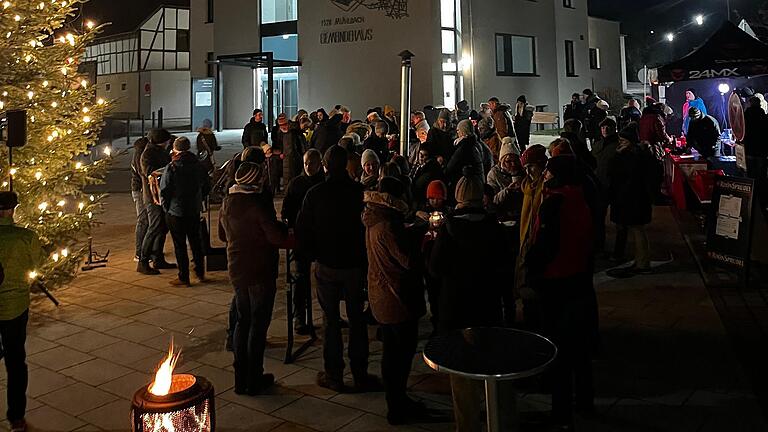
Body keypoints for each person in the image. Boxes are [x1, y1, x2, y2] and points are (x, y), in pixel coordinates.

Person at [429, 173, 512, 431]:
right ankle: (496, 419)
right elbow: (504, 267)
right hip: (486, 305)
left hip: (456, 307)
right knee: (490, 364)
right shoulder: (494, 229)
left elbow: (435, 268)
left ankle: (467, 424)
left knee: (462, 373)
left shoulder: (449, 229)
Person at [296, 145, 379, 393]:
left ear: (325, 165)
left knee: (330, 320)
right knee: (356, 320)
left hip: (327, 264)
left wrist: (312, 255)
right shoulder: (358, 192)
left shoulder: (315, 193)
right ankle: (360, 373)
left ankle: (334, 374)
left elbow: (303, 229)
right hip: (353, 264)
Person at [525, 155, 597, 429]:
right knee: (579, 348)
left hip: (556, 280)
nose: (544, 175)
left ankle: (561, 410)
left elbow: (546, 245)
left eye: (548, 172)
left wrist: (531, 268)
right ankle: (585, 400)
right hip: (579, 276)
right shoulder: (581, 196)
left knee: (558, 348)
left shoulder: (555, 202)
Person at [362, 177, 431, 425]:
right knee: (399, 355)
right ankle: (397, 405)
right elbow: (407, 260)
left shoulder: (374, 217)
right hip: (395, 297)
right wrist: (422, 238)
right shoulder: (388, 224)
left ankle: (398, 399)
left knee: (392, 352)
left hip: (381, 294)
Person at [219, 161, 288, 395]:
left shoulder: (228, 202)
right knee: (258, 325)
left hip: (237, 269)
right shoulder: (258, 205)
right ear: (255, 180)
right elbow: (276, 238)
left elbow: (221, 234)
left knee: (242, 321)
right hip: (259, 270)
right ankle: (254, 377)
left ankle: (240, 379)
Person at [0, 192, 44, 432]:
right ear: (12, 210)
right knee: (16, 362)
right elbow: (37, 264)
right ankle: (16, 417)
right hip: (15, 307)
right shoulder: (25, 237)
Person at [281, 149, 325, 334]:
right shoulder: (296, 183)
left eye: (312, 163)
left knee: (325, 278)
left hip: (321, 237)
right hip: (302, 237)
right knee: (300, 277)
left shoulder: (324, 183)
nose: (308, 167)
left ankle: (329, 315)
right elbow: (286, 210)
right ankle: (300, 317)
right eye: (306, 163)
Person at [159, 137, 211, 286]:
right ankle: (200, 272)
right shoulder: (198, 165)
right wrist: (199, 199)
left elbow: (165, 189)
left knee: (179, 245)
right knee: (196, 241)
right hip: (193, 209)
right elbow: (207, 185)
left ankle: (184, 277)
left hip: (176, 211)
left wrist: (166, 207)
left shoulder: (172, 167)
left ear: (175, 149)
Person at [607, 127, 657, 273]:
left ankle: (642, 263)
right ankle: (641, 260)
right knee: (637, 229)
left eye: (623, 140)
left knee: (637, 228)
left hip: (631, 197)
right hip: (636, 197)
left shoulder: (631, 156)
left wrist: (617, 156)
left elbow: (617, 173)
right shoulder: (642, 154)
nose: (620, 143)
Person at [516, 144, 548, 328]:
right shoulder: (528, 185)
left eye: (531, 167)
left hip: (537, 239)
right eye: (526, 168)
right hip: (526, 238)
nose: (528, 171)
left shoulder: (545, 187)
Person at [138, 128, 176, 275]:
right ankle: (143, 260)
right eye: (167, 141)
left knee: (162, 227)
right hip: (153, 196)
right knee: (154, 227)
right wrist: (169, 168)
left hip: (161, 195)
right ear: (161, 142)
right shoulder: (148, 154)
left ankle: (158, 257)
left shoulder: (160, 152)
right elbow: (150, 173)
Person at [487, 141, 524, 221]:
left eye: (515, 161)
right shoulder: (494, 174)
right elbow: (492, 200)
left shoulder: (523, 171)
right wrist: (507, 191)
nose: (513, 164)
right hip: (503, 216)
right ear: (502, 161)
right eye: (508, 161)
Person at [445, 120, 483, 195]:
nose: (457, 133)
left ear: (463, 131)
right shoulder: (477, 144)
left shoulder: (463, 147)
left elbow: (451, 167)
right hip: (477, 182)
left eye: (458, 130)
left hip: (464, 183)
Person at [130, 137, 149, 262]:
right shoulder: (139, 157)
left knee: (146, 220)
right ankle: (139, 253)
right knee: (143, 220)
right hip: (140, 190)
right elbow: (142, 174)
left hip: (140, 190)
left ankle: (146, 249)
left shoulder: (139, 155)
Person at [411, 142, 445, 211]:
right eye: (420, 154)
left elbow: (419, 185)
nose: (421, 157)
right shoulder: (419, 165)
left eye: (425, 155)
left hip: (425, 203)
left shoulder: (431, 169)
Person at [743, 96, 768, 177]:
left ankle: (751, 186)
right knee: (761, 172)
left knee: (750, 170)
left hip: (749, 146)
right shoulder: (763, 114)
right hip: (762, 147)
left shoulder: (747, 114)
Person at [281, 115, 306, 188]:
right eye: (305, 126)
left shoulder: (295, 132)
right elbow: (291, 150)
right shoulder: (291, 133)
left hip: (293, 160)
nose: (306, 129)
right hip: (291, 161)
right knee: (291, 182)